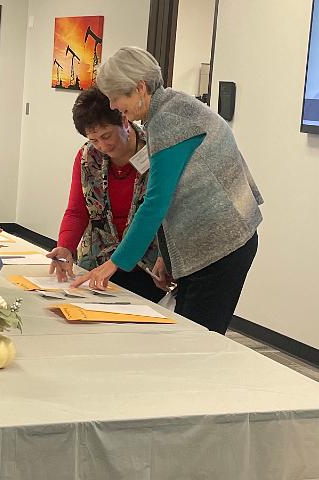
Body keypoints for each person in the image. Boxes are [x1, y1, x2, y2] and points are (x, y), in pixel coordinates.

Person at [72, 47, 263, 335]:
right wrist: (167, 255)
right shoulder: (172, 106)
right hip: (218, 239)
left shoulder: (167, 122)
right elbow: (172, 194)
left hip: (222, 243)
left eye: (116, 96)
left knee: (195, 338)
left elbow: (155, 202)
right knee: (186, 332)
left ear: (139, 88)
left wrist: (114, 264)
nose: (112, 104)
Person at [47, 87, 165, 303]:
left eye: (106, 136)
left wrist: (166, 255)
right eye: (94, 139)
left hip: (147, 264)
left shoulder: (156, 151)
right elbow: (77, 211)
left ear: (124, 121)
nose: (102, 146)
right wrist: (65, 247)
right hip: (98, 261)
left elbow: (168, 211)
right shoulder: (87, 157)